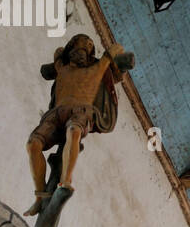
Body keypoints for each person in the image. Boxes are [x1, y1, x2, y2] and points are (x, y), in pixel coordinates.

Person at [25, 33, 134, 216]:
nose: (82, 52)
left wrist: (115, 53)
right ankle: (40, 196)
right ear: (71, 52)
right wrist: (62, 53)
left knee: (74, 131)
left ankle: (64, 182)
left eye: (88, 48)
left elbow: (117, 52)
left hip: (81, 111)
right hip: (56, 113)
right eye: (78, 48)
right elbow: (57, 54)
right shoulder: (62, 68)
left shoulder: (98, 67)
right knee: (33, 144)